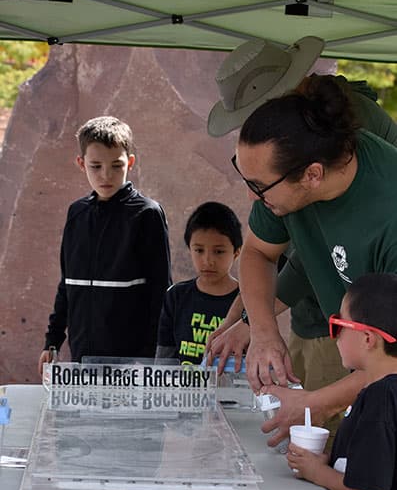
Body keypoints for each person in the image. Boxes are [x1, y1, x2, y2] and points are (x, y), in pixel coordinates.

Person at [206, 36, 397, 446]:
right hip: (355, 345)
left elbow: (392, 365)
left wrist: (315, 403)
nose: (253, 196)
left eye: (259, 186)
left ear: (312, 174)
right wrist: (260, 330)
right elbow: (258, 251)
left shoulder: (389, 212)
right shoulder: (288, 170)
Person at [38, 115, 171, 374]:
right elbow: (67, 285)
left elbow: (160, 291)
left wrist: (148, 358)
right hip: (81, 357)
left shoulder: (147, 214)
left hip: (131, 361)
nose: (105, 175)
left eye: (116, 165)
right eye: (96, 166)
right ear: (81, 163)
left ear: (130, 163)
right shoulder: (76, 214)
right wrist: (52, 341)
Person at [287, 273, 397, 490]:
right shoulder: (384, 391)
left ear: (367, 338)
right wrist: (329, 461)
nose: (333, 336)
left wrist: (314, 471)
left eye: (338, 326)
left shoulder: (380, 398)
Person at [156, 201, 241, 365]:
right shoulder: (176, 296)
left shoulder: (246, 300)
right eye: (199, 250)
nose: (208, 261)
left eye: (219, 251)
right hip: (181, 390)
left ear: (236, 252)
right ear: (189, 248)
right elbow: (164, 359)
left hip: (228, 389)